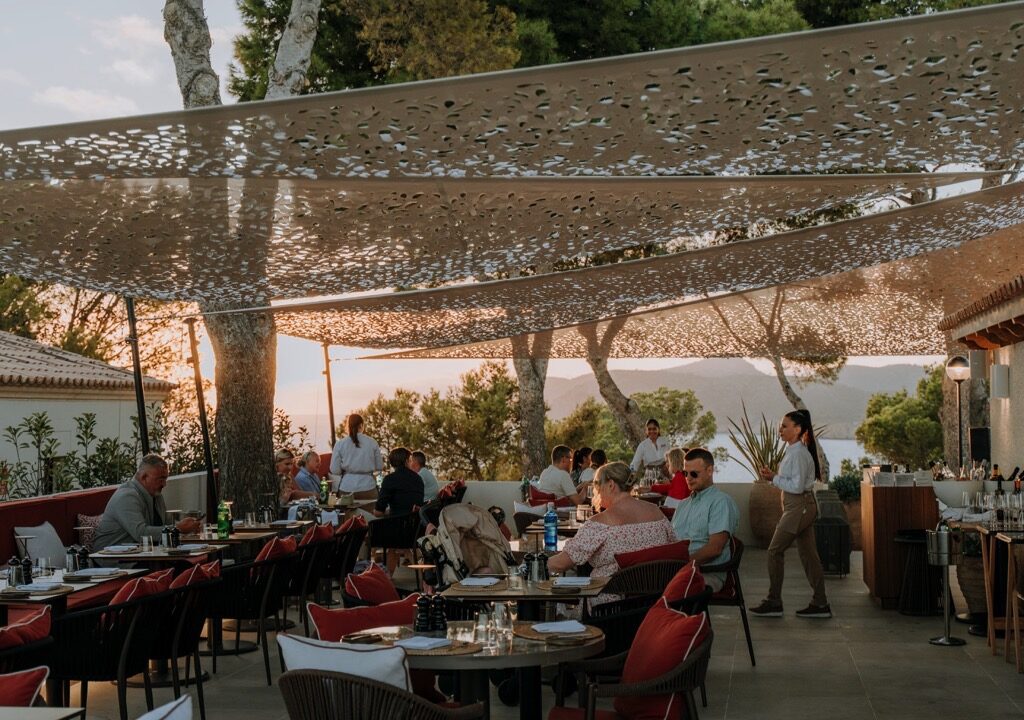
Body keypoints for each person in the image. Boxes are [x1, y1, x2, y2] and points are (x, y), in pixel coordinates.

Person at [750, 410, 832, 619]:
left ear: (797, 429)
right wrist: (773, 477)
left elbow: (796, 486)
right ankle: (820, 603)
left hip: (799, 507)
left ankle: (774, 601)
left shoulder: (798, 454)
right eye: (781, 426)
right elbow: (794, 482)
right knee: (809, 555)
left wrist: (773, 478)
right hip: (800, 506)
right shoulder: (795, 451)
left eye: (785, 426)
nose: (780, 429)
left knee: (774, 551)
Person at [548, 462, 676, 582]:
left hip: (611, 595)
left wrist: (539, 563)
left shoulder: (601, 523)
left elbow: (561, 564)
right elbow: (673, 545)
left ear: (611, 485)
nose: (596, 490)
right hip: (655, 594)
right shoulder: (656, 512)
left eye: (597, 484)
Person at [92, 454, 202, 550]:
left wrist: (187, 526)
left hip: (142, 554)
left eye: (165, 479)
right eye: (161, 479)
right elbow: (141, 533)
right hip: (113, 560)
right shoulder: (127, 496)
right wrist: (178, 529)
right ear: (144, 477)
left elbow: (166, 526)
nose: (164, 484)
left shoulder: (156, 496)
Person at [671, 448, 739, 592]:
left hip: (706, 573)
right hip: (678, 571)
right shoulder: (683, 505)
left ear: (709, 471)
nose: (688, 478)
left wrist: (682, 565)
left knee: (658, 590)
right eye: (685, 473)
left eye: (694, 473)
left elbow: (715, 548)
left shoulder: (720, 502)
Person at [330, 413, 384, 500]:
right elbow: (379, 466)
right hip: (368, 487)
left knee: (347, 509)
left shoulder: (340, 444)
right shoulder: (372, 442)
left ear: (348, 426)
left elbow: (335, 470)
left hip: (346, 488)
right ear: (361, 425)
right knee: (370, 509)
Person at [375, 447, 424, 518]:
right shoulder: (418, 478)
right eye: (410, 460)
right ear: (406, 461)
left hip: (397, 522)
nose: (411, 463)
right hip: (416, 521)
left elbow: (378, 512)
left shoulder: (389, 479)